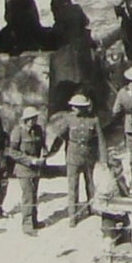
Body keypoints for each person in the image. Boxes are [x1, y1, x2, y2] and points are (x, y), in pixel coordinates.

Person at [46, 93, 101, 225]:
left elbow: (100, 139)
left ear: (84, 108)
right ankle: (73, 215)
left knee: (90, 184)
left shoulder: (93, 120)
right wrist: (50, 152)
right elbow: (60, 137)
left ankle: (92, 208)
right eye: (74, 106)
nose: (74, 109)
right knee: (73, 187)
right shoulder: (69, 120)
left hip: (89, 156)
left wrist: (103, 158)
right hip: (73, 157)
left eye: (77, 107)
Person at [7, 107, 47, 235]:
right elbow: (12, 152)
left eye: (34, 118)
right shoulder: (18, 132)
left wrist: (44, 155)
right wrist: (29, 160)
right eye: (30, 119)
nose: (32, 121)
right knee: (28, 197)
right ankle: (27, 226)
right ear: (25, 120)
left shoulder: (38, 130)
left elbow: (42, 145)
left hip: (35, 169)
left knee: (34, 196)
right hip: (23, 169)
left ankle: (34, 221)